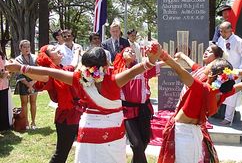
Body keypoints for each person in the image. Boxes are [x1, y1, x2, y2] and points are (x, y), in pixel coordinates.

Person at [5, 44, 161, 163]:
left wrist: (20, 67)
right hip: (112, 132)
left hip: (88, 129)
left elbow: (49, 72)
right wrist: (152, 58)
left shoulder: (80, 79)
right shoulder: (115, 80)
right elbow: (141, 67)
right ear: (106, 65)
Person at [157, 50, 242, 163]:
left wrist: (163, 55)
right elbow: (241, 85)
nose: (205, 66)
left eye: (210, 64)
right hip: (184, 131)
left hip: (192, 132)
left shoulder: (204, 88)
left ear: (212, 74)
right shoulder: (218, 91)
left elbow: (180, 70)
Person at [30, 44, 83, 163]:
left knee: (87, 146)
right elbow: (41, 78)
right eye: (53, 50)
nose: (58, 49)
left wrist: (76, 52)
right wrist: (21, 69)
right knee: (62, 153)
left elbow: (73, 64)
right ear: (49, 58)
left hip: (79, 112)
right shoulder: (50, 75)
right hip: (66, 117)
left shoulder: (63, 70)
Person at [113, 47, 160, 163]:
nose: (131, 52)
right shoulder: (115, 71)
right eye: (127, 51)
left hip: (143, 110)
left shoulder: (142, 68)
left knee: (144, 141)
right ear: (121, 55)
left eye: (133, 51)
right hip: (127, 111)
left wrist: (169, 60)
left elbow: (154, 64)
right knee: (136, 144)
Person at [217, 21, 242, 125]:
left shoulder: (239, 41)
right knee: (216, 89)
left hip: (234, 71)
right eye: (221, 31)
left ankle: (228, 118)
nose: (223, 34)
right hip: (221, 70)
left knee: (231, 95)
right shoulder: (220, 40)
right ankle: (214, 112)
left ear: (231, 30)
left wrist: (239, 71)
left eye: (225, 31)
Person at [15, 40, 38, 130]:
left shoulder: (35, 58)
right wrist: (28, 84)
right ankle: (26, 122)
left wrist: (33, 82)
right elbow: (19, 74)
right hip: (23, 83)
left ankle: (33, 122)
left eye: (28, 47)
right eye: (24, 47)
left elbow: (38, 70)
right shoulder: (17, 59)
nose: (27, 49)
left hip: (34, 82)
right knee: (24, 103)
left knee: (33, 102)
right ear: (20, 48)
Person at [0, 50, 13, 131]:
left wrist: (8, 73)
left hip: (4, 85)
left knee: (4, 106)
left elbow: (5, 70)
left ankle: (4, 126)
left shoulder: (2, 56)